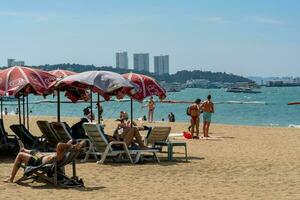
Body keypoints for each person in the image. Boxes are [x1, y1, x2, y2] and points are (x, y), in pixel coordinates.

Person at [4, 140, 86, 183]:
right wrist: (74, 145)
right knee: (36, 152)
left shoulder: (60, 154)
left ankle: (11, 179)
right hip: (43, 158)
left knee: (20, 155)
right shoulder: (64, 153)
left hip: (40, 163)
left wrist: (73, 146)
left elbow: (60, 144)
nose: (67, 142)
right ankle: (24, 149)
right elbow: (66, 144)